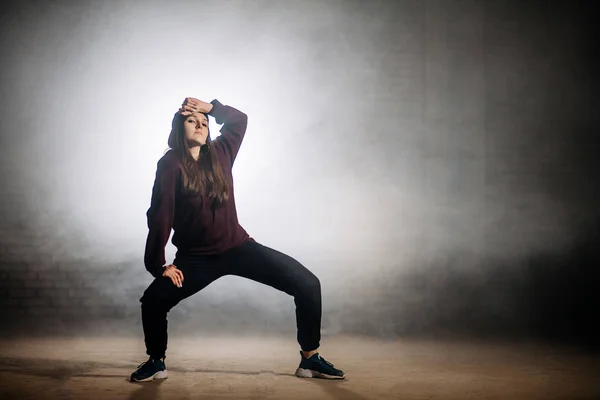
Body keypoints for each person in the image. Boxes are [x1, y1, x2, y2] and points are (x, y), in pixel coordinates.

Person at [129, 97, 345, 382]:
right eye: (192, 121)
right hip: (197, 258)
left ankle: (310, 359)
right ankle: (156, 362)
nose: (200, 126)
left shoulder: (220, 153)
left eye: (204, 123)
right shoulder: (170, 164)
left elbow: (238, 120)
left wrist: (210, 108)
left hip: (237, 247)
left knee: (308, 284)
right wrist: (158, 264)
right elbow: (160, 215)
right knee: (153, 300)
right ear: (179, 129)